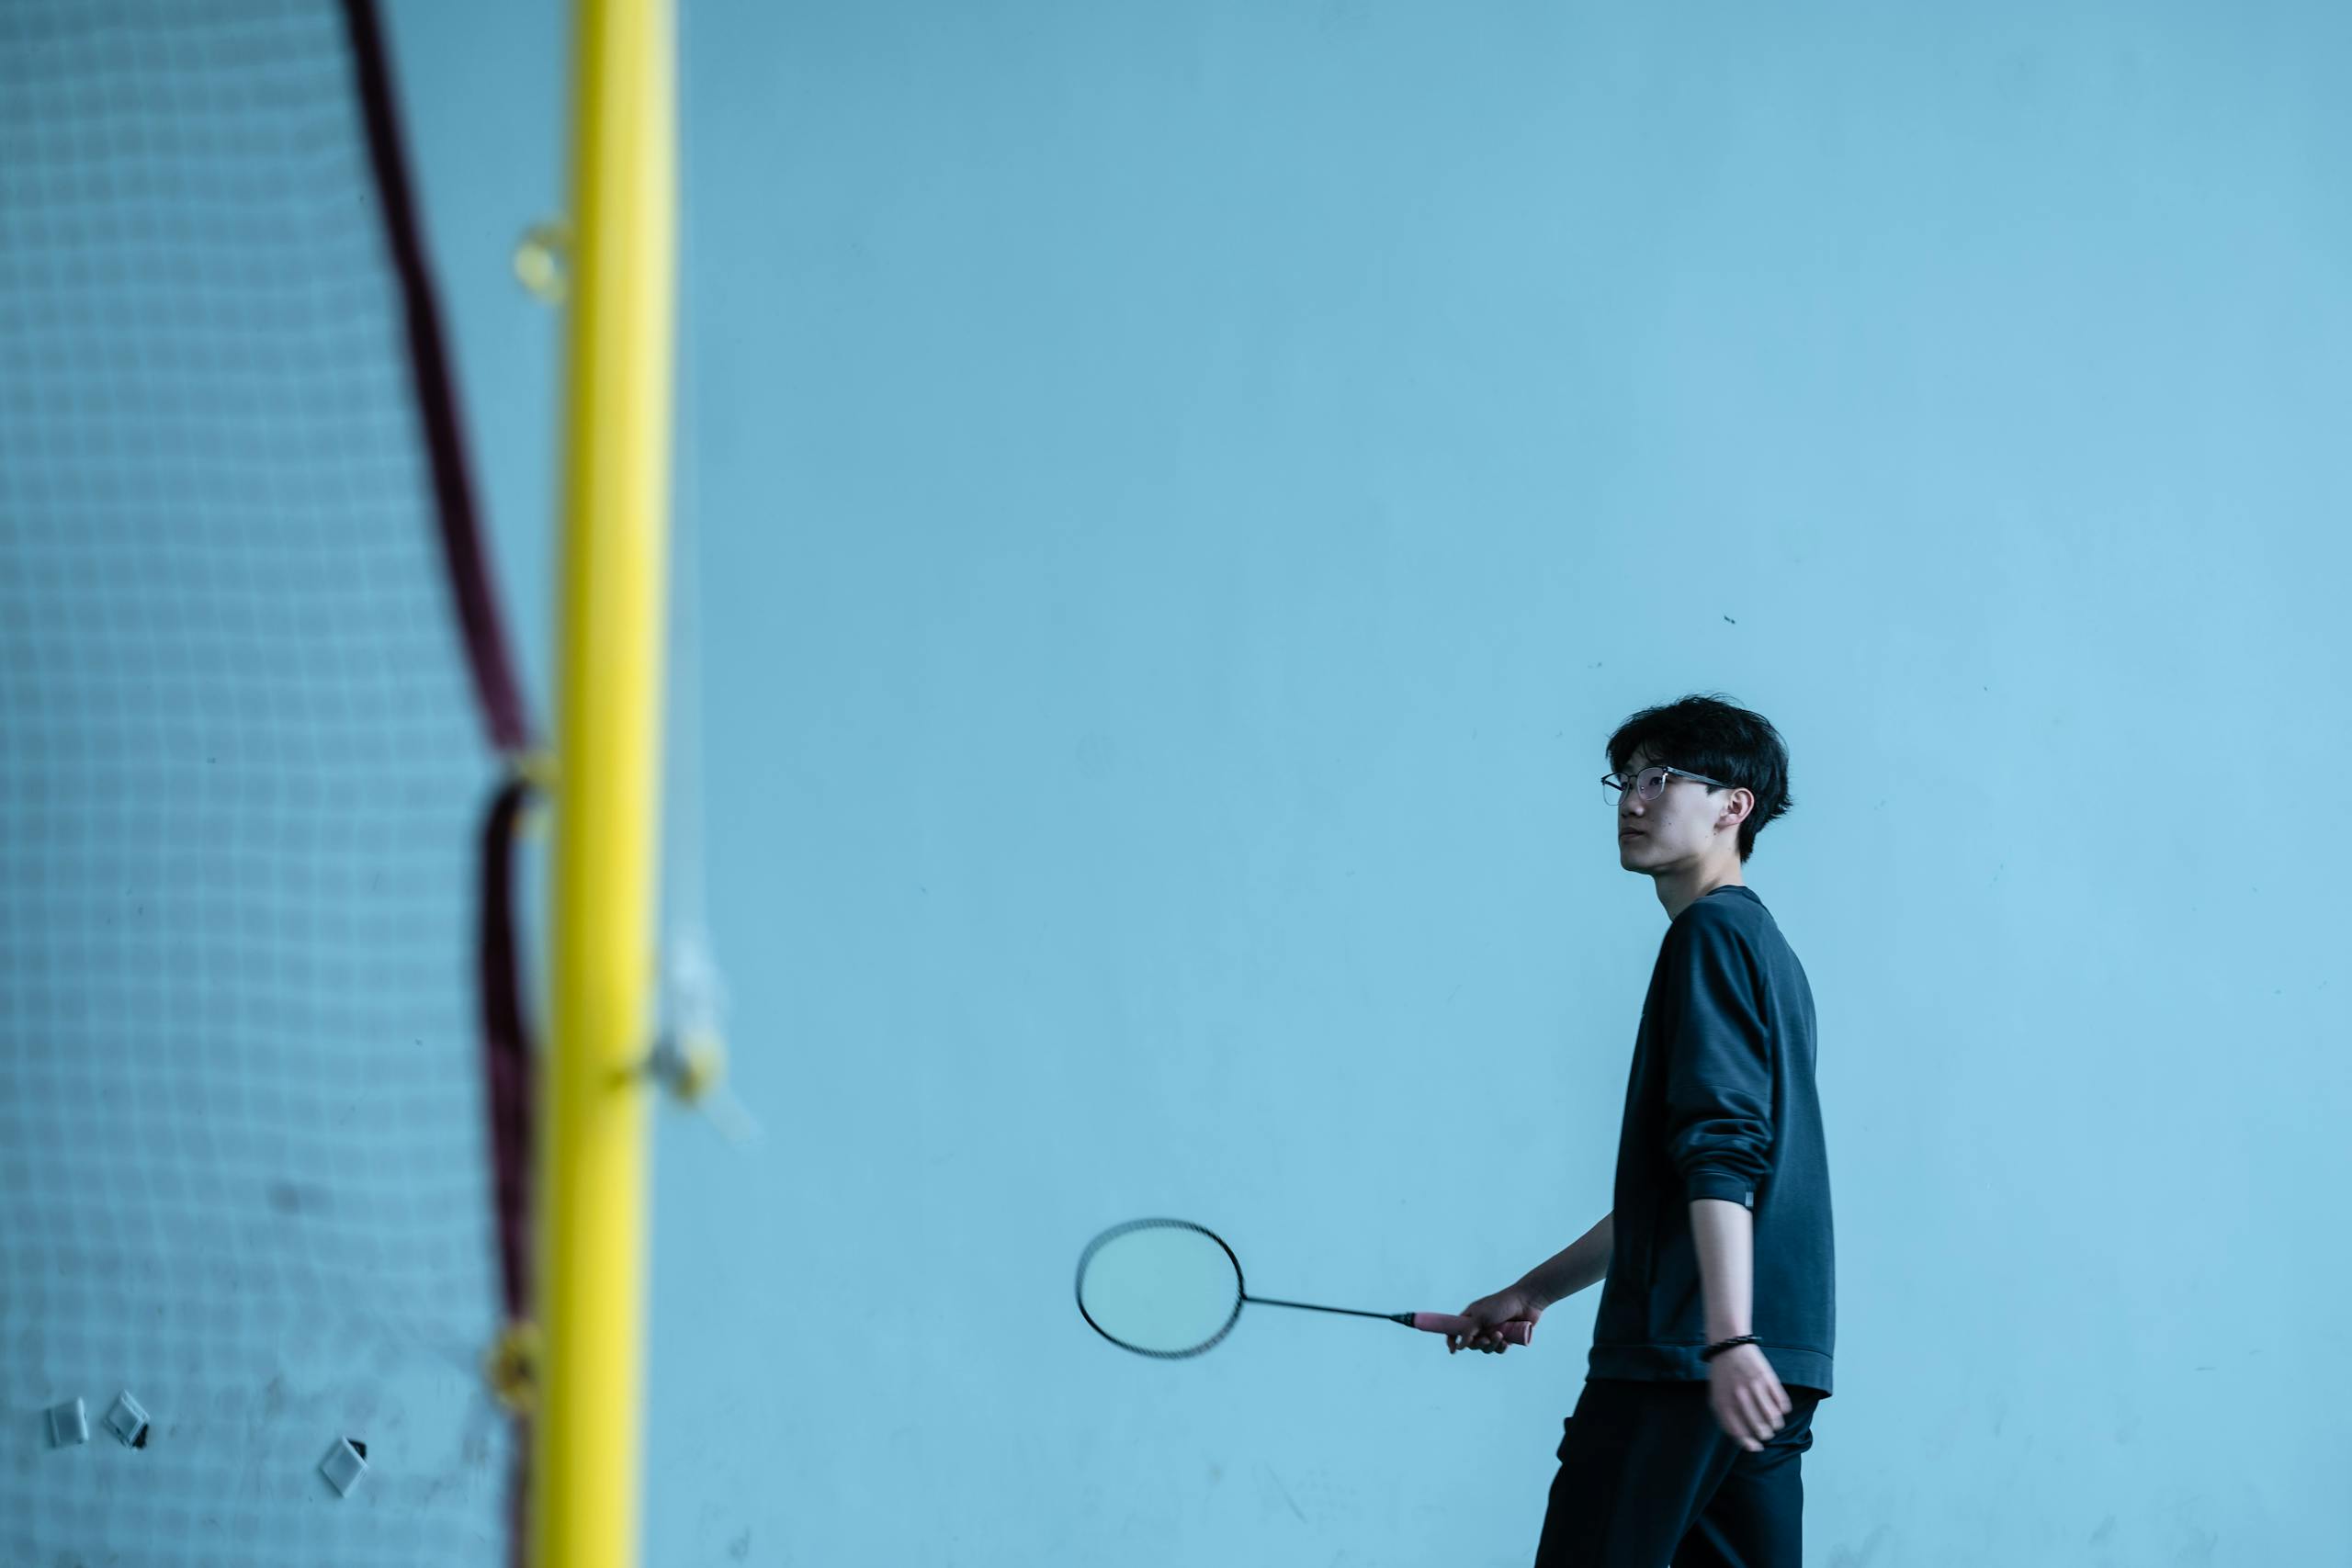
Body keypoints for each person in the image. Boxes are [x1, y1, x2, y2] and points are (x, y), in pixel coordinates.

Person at [1449, 694, 1836, 1567]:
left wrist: (1725, 1336)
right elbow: (1679, 1191)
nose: (1632, 798)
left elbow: (1723, 1156)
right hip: (1772, 1363)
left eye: (1661, 778)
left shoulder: (1710, 936)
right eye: (1623, 779)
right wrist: (1535, 1290)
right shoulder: (1768, 951)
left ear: (1734, 805)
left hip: (1693, 1355)